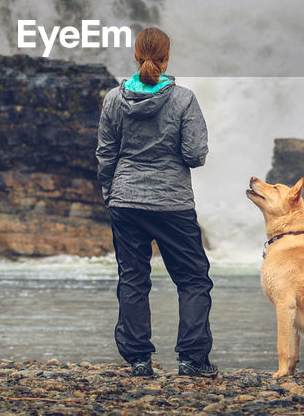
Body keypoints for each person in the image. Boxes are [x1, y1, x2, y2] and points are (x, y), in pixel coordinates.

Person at [95, 26, 217, 378]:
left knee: (133, 278)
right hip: (172, 205)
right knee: (193, 280)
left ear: (137, 56)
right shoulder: (184, 100)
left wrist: (111, 193)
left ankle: (138, 361)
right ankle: (193, 360)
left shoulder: (113, 100)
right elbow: (195, 155)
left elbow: (106, 155)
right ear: (166, 59)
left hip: (126, 201)